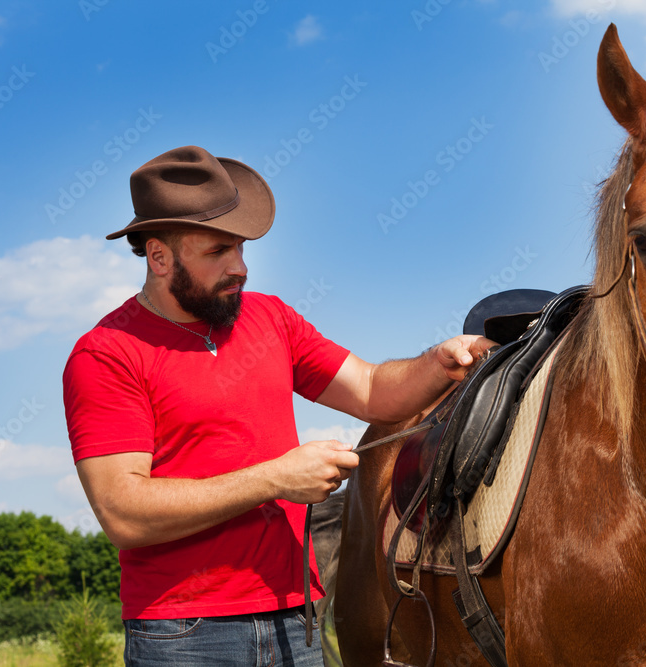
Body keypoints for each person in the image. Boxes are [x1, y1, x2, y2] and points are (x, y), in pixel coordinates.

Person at [62, 145, 493, 666]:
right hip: (183, 635)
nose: (239, 268)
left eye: (241, 249)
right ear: (159, 257)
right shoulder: (106, 352)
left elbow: (373, 388)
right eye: (218, 252)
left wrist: (438, 362)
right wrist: (275, 479)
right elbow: (123, 513)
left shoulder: (270, 319)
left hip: (297, 621)